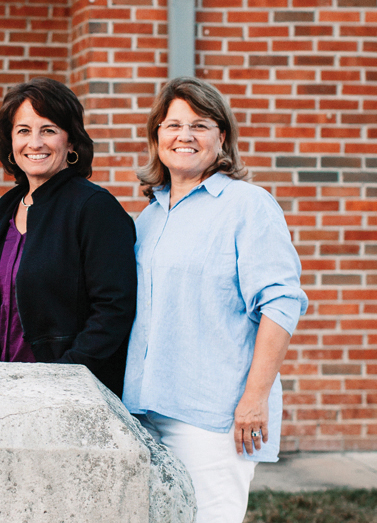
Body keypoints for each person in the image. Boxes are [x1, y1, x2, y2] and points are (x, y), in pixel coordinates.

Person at [122, 77, 308, 522]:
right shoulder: (148, 216)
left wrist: (254, 398)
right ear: (157, 136)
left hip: (212, 416)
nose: (184, 136)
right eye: (173, 125)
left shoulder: (248, 206)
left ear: (221, 136)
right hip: (145, 410)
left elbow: (281, 303)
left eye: (200, 125)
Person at [0, 77, 137, 396]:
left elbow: (113, 310)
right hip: (5, 388)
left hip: (69, 392)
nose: (34, 143)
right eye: (23, 130)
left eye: (48, 130)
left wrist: (63, 378)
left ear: (71, 141)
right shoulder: (9, 205)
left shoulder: (94, 207)